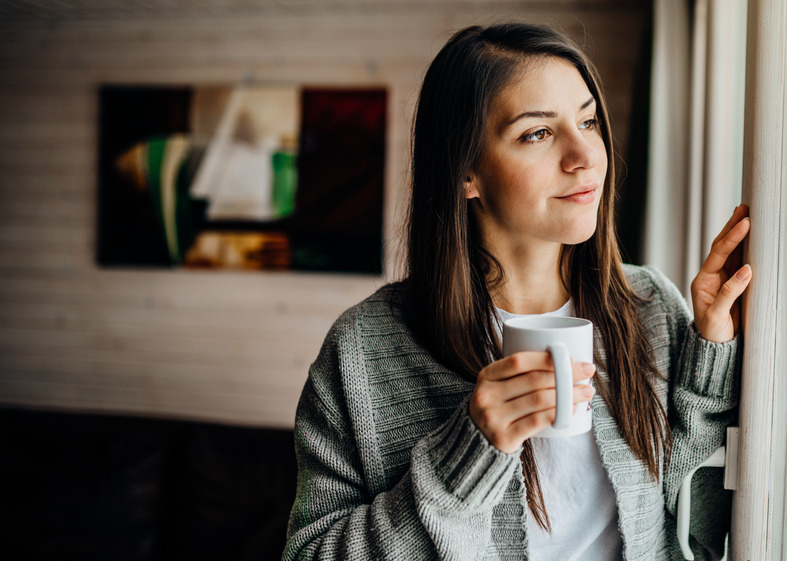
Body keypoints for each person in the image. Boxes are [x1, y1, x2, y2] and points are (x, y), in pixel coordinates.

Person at [282, 23, 752, 560]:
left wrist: (710, 356)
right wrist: (469, 452)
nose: (586, 156)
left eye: (588, 120)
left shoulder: (650, 308)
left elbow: (702, 534)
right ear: (466, 172)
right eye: (537, 133)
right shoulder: (364, 350)